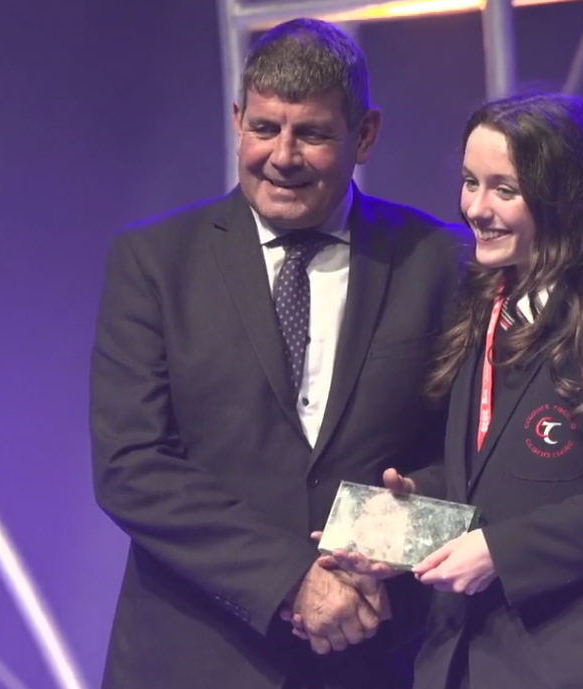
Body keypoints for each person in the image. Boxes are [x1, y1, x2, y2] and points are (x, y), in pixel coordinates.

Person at [89, 17, 467, 689]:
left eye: (314, 133)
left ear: (366, 133)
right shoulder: (154, 262)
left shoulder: (438, 261)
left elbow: (470, 457)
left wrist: (378, 545)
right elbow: (132, 465)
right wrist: (291, 580)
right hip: (191, 658)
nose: (283, 155)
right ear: (238, 119)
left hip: (375, 652)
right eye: (265, 128)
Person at [319, 92, 583, 689]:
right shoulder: (485, 302)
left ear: (565, 194)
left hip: (572, 663)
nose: (476, 208)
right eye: (469, 182)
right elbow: (504, 477)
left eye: (504, 189)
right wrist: (407, 518)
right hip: (461, 661)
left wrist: (503, 551)